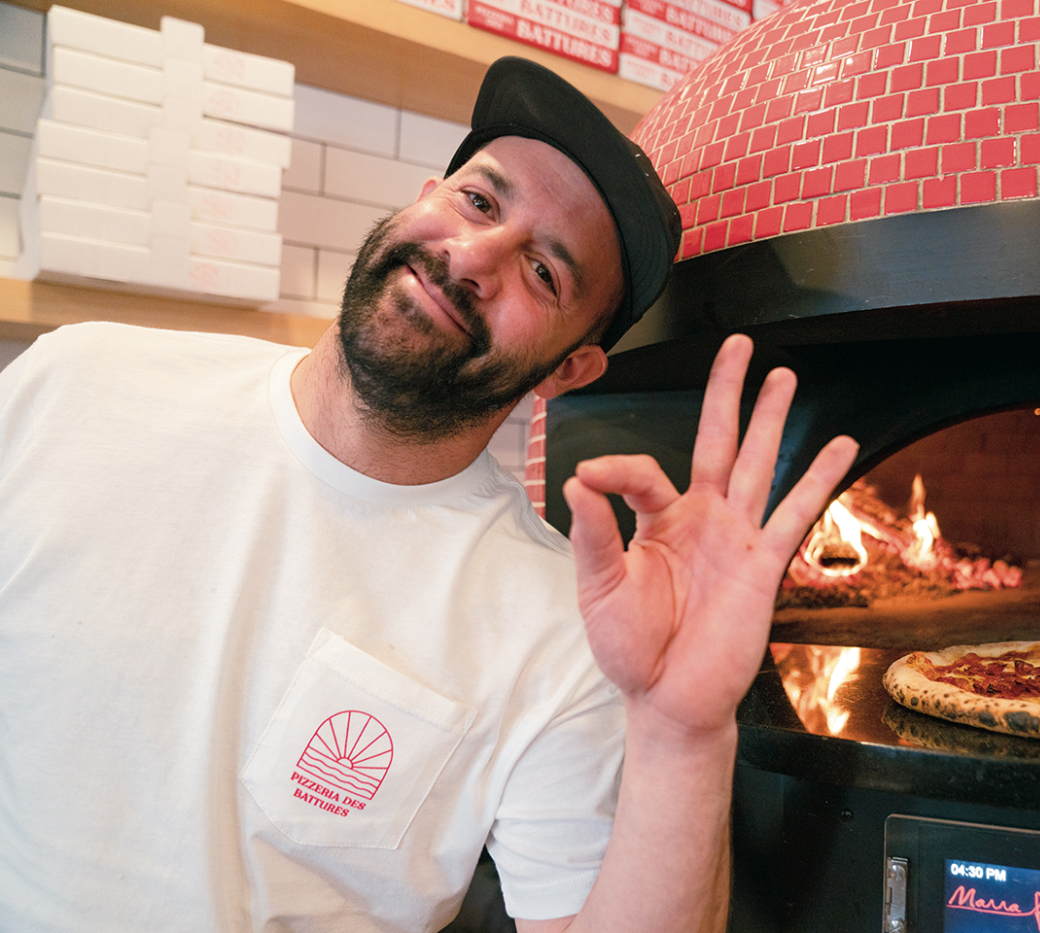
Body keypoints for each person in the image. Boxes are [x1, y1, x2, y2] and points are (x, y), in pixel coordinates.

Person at [0, 56, 858, 933]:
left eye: (544, 273)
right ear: (421, 200)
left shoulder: (564, 631)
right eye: (478, 201)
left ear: (569, 369)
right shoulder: (72, 384)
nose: (474, 257)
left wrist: (684, 736)